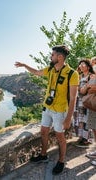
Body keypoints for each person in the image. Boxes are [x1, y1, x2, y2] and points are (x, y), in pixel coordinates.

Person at [15, 45, 79, 175]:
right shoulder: (50, 69)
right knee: (43, 131)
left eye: (52, 55)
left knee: (59, 136)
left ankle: (61, 161)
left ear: (60, 57)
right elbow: (37, 72)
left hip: (60, 111)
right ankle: (43, 155)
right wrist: (25, 65)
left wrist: (68, 118)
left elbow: (73, 98)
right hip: (47, 108)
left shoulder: (72, 74)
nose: (50, 57)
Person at [74, 59, 95, 147]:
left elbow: (90, 89)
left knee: (87, 119)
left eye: (83, 64)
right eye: (80, 65)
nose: (81, 66)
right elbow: (76, 88)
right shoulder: (79, 76)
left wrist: (83, 88)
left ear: (88, 66)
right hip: (79, 101)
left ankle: (87, 139)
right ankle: (81, 137)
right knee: (80, 119)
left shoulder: (92, 76)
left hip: (88, 100)